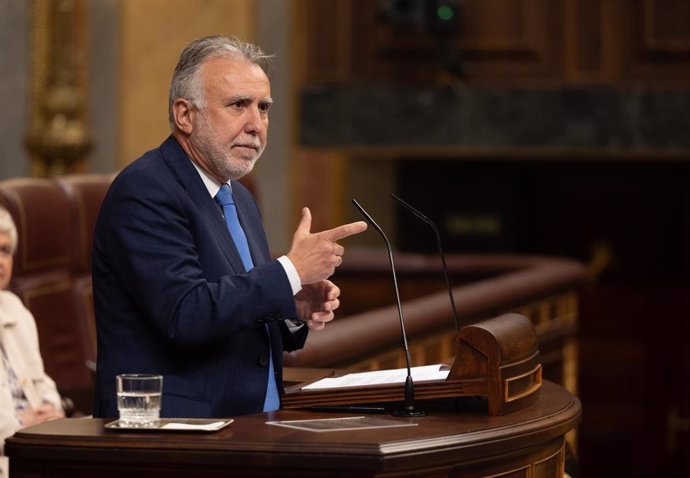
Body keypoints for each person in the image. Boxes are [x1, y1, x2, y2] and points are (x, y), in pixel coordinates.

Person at [91, 35, 367, 419]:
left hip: (252, 425)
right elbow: (186, 315)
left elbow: (233, 302)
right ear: (185, 115)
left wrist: (290, 303)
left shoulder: (239, 198)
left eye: (264, 107)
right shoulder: (145, 190)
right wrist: (288, 271)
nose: (256, 125)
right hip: (173, 434)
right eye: (239, 105)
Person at [0, 207, 64, 473]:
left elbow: (41, 381)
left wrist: (51, 410)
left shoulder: (14, 308)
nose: (1, 261)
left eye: (5, 251)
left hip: (36, 450)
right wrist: (17, 424)